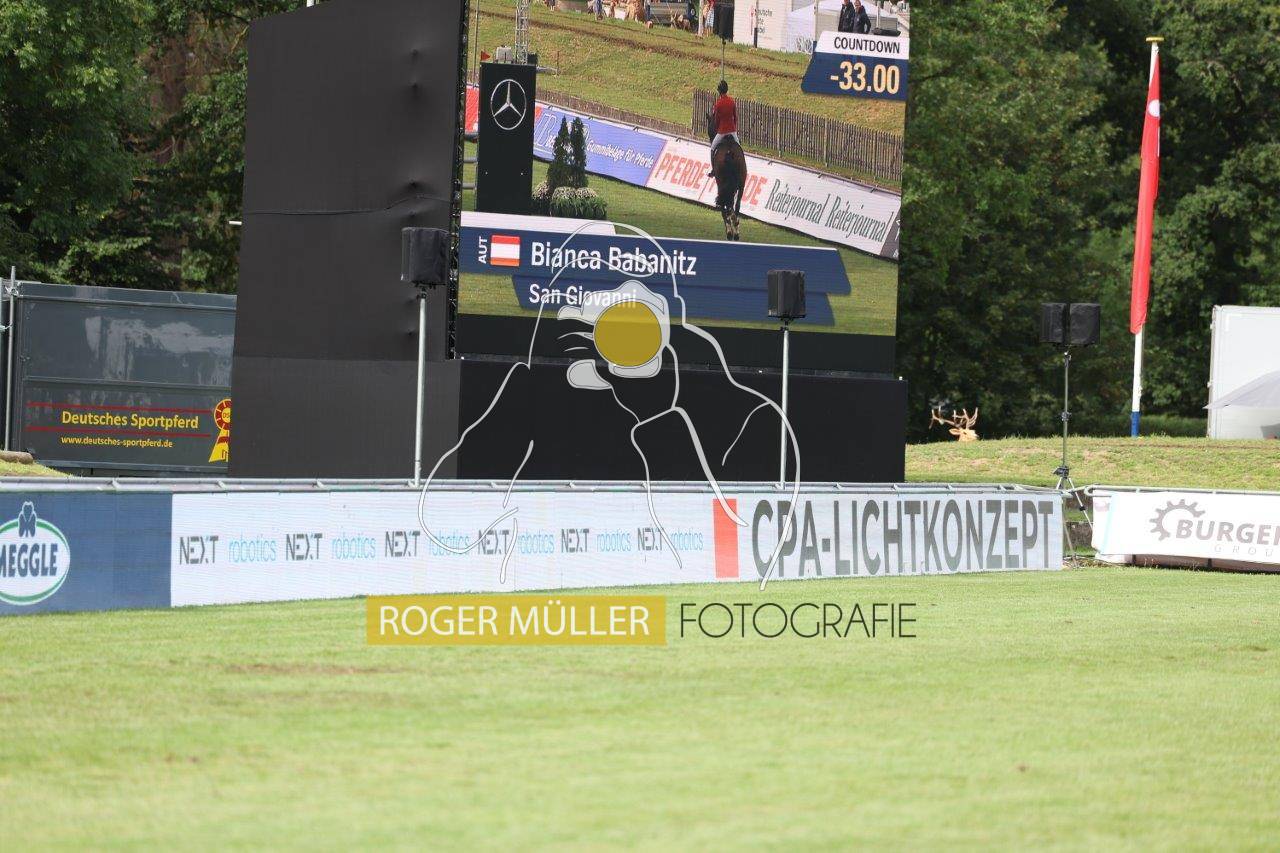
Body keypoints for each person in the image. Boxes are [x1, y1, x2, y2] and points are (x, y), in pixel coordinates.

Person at [707, 78, 738, 176]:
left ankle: (714, 170)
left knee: (712, 149)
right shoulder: (732, 102)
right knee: (739, 148)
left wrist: (717, 129)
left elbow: (716, 120)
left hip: (722, 132)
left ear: (719, 91)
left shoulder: (718, 104)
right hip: (732, 131)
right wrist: (734, 128)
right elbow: (735, 117)